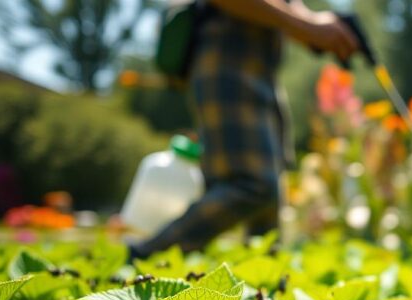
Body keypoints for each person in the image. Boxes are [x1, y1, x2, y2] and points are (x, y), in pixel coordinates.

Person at [130, 0, 359, 258]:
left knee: (269, 202)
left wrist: (317, 23)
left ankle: (263, 285)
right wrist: (307, 27)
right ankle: (146, 257)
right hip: (226, 58)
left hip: (261, 67)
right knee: (253, 184)